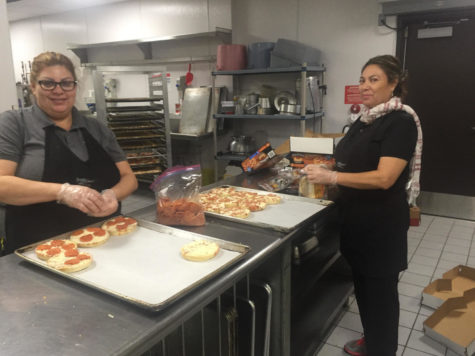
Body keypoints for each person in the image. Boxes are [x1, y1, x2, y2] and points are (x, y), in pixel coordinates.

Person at [303, 55, 422, 356]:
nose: (364, 86)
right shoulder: (366, 119)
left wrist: (332, 175)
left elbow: (385, 178)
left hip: (381, 226)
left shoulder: (400, 122)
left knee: (380, 295)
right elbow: (349, 158)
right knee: (364, 289)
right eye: (362, 79)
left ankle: (382, 350)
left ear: (394, 84)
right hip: (356, 220)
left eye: (374, 79)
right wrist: (327, 168)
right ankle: (372, 341)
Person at [0, 51, 138, 255]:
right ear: (33, 87)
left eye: (66, 83)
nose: (59, 90)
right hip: (39, 248)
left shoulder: (96, 128)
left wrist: (113, 195)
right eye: (48, 83)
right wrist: (63, 192)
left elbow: (129, 178)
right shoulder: (14, 124)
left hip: (104, 240)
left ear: (75, 87)